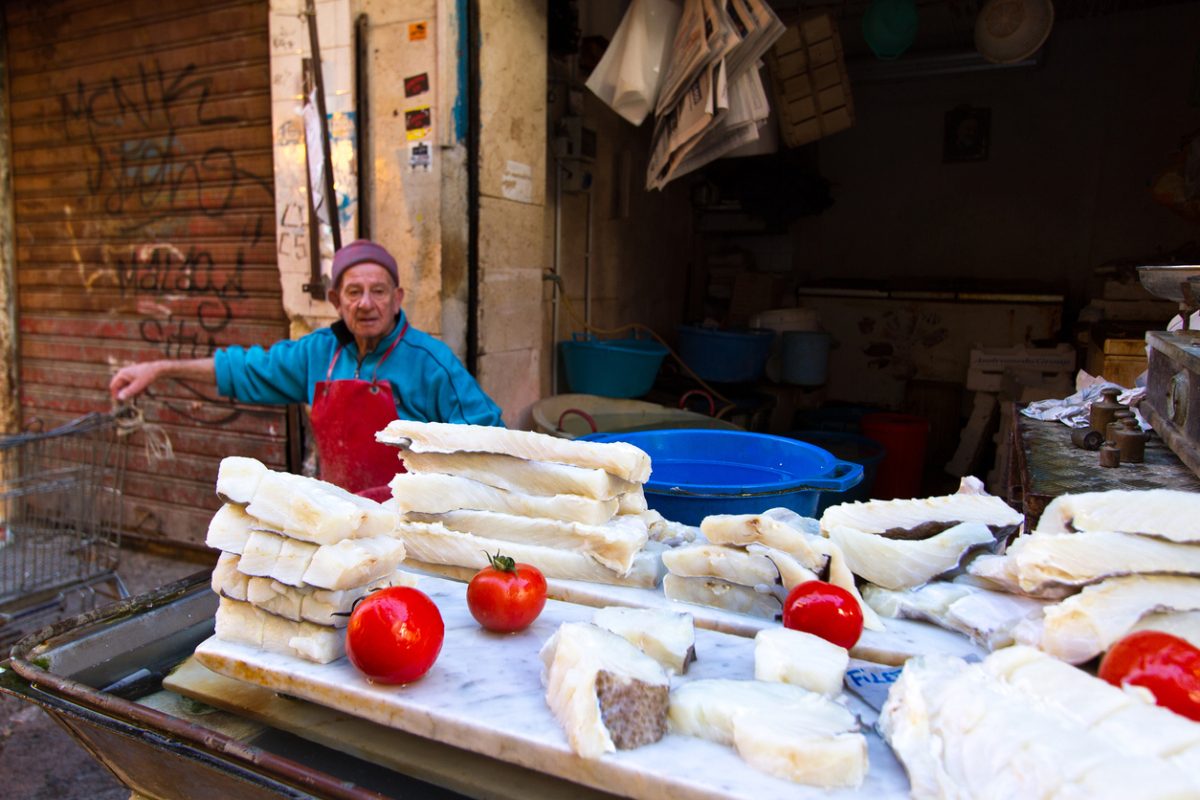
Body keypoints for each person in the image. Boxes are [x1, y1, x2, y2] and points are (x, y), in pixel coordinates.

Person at [110, 239, 503, 498]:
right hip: (338, 518)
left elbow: (488, 438)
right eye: (354, 292)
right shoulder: (319, 352)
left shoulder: (430, 362)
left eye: (378, 291)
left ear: (397, 298)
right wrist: (161, 369)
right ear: (336, 300)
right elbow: (246, 368)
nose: (366, 303)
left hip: (411, 522)